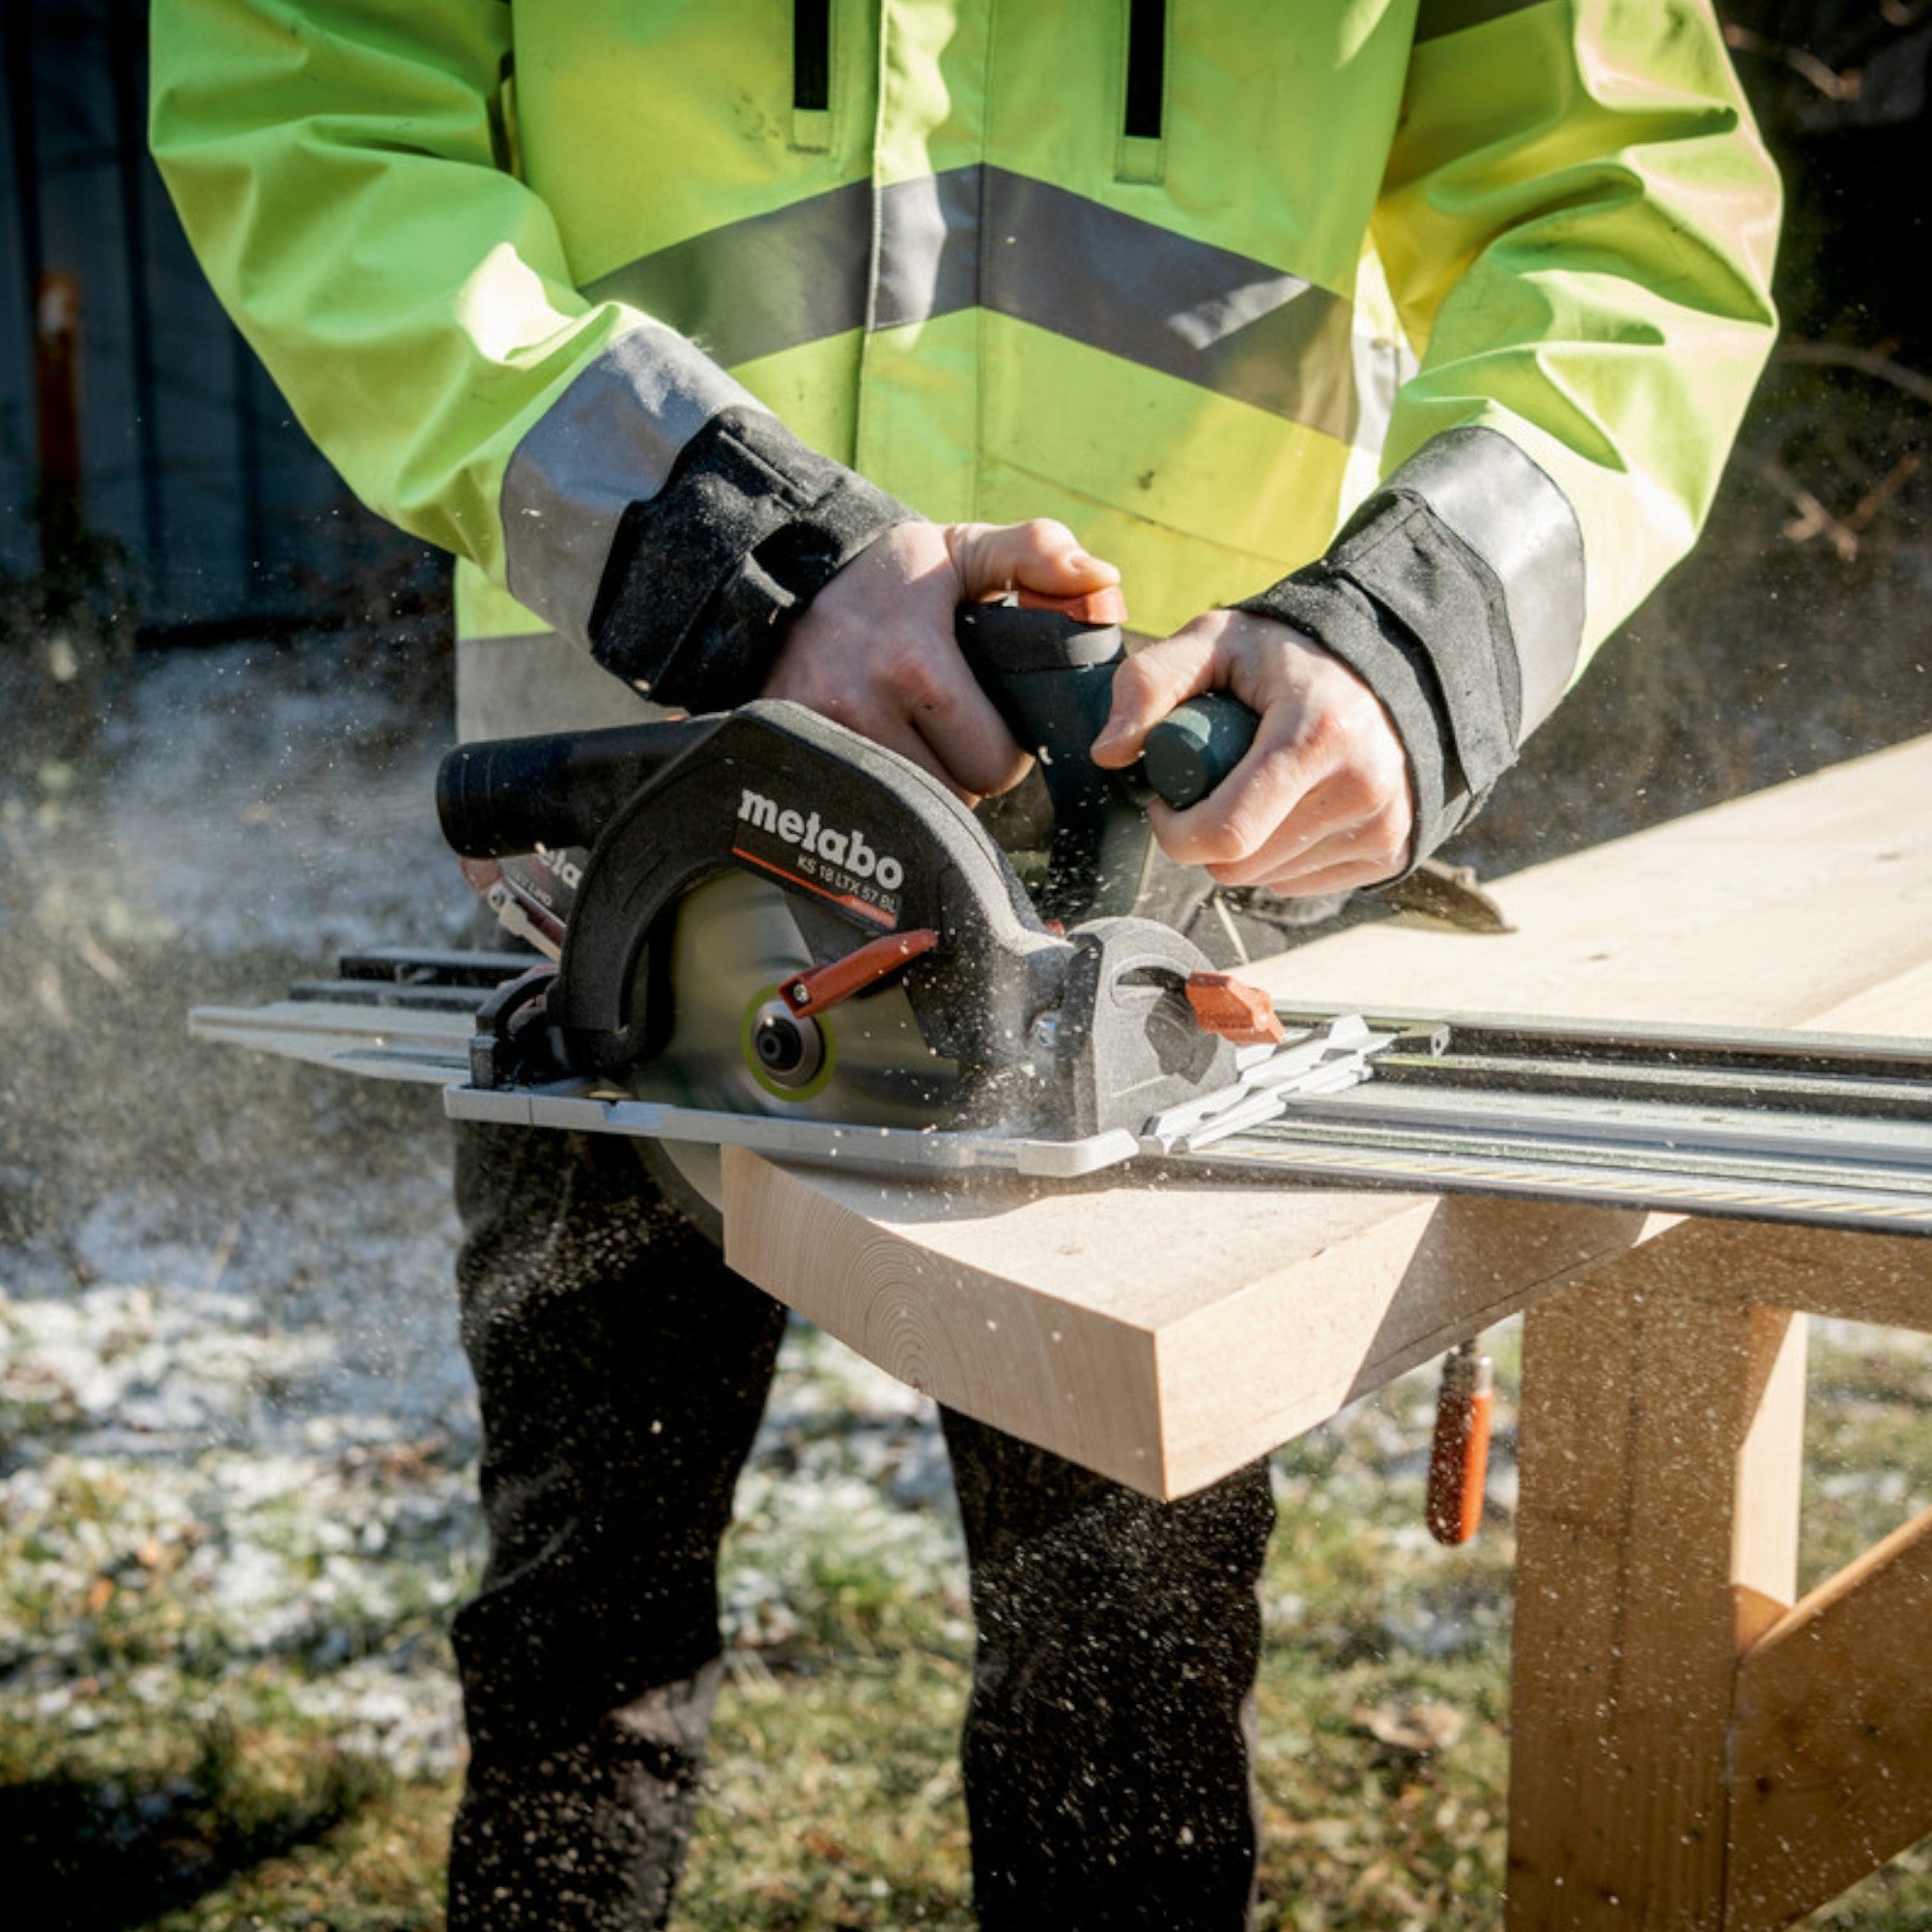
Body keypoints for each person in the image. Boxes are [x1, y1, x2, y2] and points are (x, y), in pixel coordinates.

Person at [151, 4, 1781, 1925]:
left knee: (1126, 1697)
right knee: (579, 1651)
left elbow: (1630, 209)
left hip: (1141, 926)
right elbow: (307, 97)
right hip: (643, 864)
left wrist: (1415, 623)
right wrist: (726, 548)